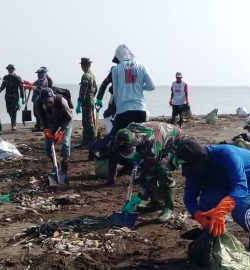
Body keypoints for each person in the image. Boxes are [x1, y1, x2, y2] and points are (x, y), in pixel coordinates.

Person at [175, 138, 250, 252]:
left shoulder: (227, 155)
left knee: (239, 210)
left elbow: (240, 186)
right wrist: (200, 217)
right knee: (207, 201)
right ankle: (212, 231)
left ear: (203, 159)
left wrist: (221, 210)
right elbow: (189, 199)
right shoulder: (194, 169)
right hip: (225, 180)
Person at [106, 44, 156, 184]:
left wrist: (115, 110)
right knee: (141, 142)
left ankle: (111, 176)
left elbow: (115, 92)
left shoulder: (116, 69)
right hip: (140, 109)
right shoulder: (141, 66)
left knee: (117, 141)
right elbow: (152, 86)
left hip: (124, 110)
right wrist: (140, 87)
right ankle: (142, 173)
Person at [115, 122, 184, 222]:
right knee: (145, 171)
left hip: (175, 141)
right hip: (156, 141)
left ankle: (169, 207)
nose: (127, 155)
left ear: (134, 143)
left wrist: (139, 197)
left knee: (162, 170)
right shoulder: (125, 135)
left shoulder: (150, 143)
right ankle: (156, 203)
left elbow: (151, 174)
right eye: (123, 153)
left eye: (129, 152)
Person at [35, 88, 73, 174]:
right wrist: (46, 129)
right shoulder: (38, 103)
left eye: (50, 102)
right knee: (48, 145)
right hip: (52, 121)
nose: (48, 104)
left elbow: (69, 118)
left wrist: (61, 131)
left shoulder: (61, 101)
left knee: (65, 141)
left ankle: (65, 166)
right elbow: (42, 118)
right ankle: (55, 164)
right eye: (46, 102)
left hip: (65, 120)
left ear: (53, 97)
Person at [75, 57, 98, 149]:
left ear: (84, 65)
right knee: (87, 122)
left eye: (82, 65)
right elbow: (95, 89)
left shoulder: (85, 76)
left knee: (87, 123)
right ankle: (85, 142)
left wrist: (79, 103)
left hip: (86, 102)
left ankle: (89, 143)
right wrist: (92, 97)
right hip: (91, 100)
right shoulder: (92, 75)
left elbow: (83, 92)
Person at [0, 64, 25, 130]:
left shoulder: (17, 77)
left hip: (15, 96)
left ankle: (14, 124)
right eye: (8, 69)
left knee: (14, 110)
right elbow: (3, 86)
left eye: (11, 68)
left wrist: (22, 96)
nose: (9, 70)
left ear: (13, 69)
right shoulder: (5, 77)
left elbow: (21, 87)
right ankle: (13, 121)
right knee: (9, 110)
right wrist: (0, 90)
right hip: (7, 96)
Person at [31, 67, 53, 131]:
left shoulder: (44, 79)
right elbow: (34, 85)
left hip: (42, 98)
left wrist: (30, 87)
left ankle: (41, 126)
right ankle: (39, 125)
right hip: (36, 98)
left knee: (40, 112)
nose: (38, 74)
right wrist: (29, 85)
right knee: (36, 113)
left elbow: (40, 88)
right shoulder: (39, 80)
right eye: (38, 73)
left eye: (40, 73)